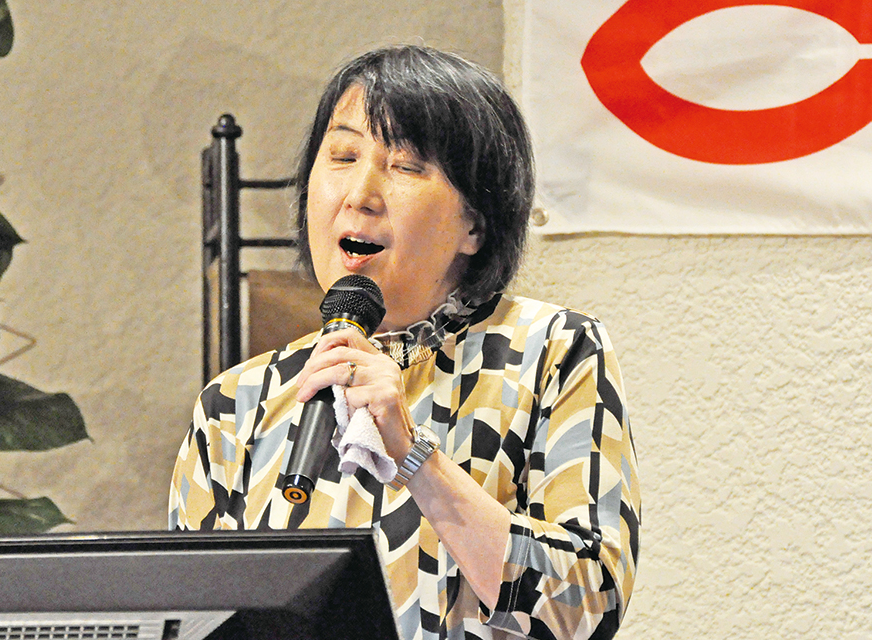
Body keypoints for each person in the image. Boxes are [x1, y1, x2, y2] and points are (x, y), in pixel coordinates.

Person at [169, 45, 640, 640]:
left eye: (406, 166)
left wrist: (416, 457)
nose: (360, 194)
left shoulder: (553, 351)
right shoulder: (235, 403)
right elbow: (191, 619)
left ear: (475, 224)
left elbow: (586, 610)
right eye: (342, 157)